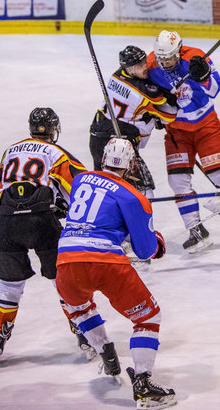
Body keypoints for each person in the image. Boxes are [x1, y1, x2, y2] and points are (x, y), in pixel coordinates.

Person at [55, 138, 176, 408]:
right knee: (148, 317)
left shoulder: (81, 180)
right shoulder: (134, 197)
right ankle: (143, 384)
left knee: (80, 307)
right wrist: (156, 241)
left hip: (65, 261)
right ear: (131, 164)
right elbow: (145, 251)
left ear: (102, 159)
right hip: (105, 263)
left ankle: (105, 352)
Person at [0, 107, 91, 367]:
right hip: (41, 222)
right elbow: (81, 186)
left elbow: (4, 189)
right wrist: (65, 206)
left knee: (9, 286)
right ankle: (84, 332)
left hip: (5, 222)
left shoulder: (10, 150)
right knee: (62, 279)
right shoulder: (57, 153)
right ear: (54, 129)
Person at [146, 30, 220, 253]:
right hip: (176, 132)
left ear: (179, 50)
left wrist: (204, 76)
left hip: (206, 125)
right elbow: (145, 93)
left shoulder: (195, 57)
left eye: (169, 57)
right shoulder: (151, 66)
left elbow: (216, 89)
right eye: (161, 58)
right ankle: (195, 229)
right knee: (178, 182)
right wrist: (155, 113)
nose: (165, 62)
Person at [89, 45, 177, 199]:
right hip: (118, 146)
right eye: (139, 65)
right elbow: (170, 116)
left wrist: (147, 116)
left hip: (97, 138)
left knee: (104, 190)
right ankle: (140, 222)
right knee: (142, 192)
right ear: (129, 69)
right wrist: (167, 99)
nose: (145, 67)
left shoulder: (116, 75)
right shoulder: (143, 92)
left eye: (144, 62)